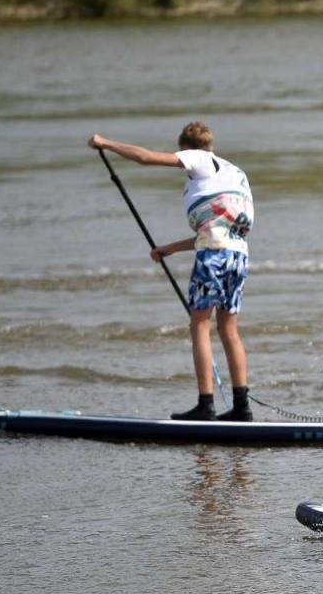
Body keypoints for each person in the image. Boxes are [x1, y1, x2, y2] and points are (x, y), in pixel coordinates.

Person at [88, 123, 255, 421]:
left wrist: (106, 143)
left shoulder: (200, 159)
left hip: (214, 256)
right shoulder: (235, 172)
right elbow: (219, 232)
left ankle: (206, 405)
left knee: (199, 326)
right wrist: (169, 248)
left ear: (187, 147)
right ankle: (242, 408)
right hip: (238, 256)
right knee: (228, 329)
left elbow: (145, 157)